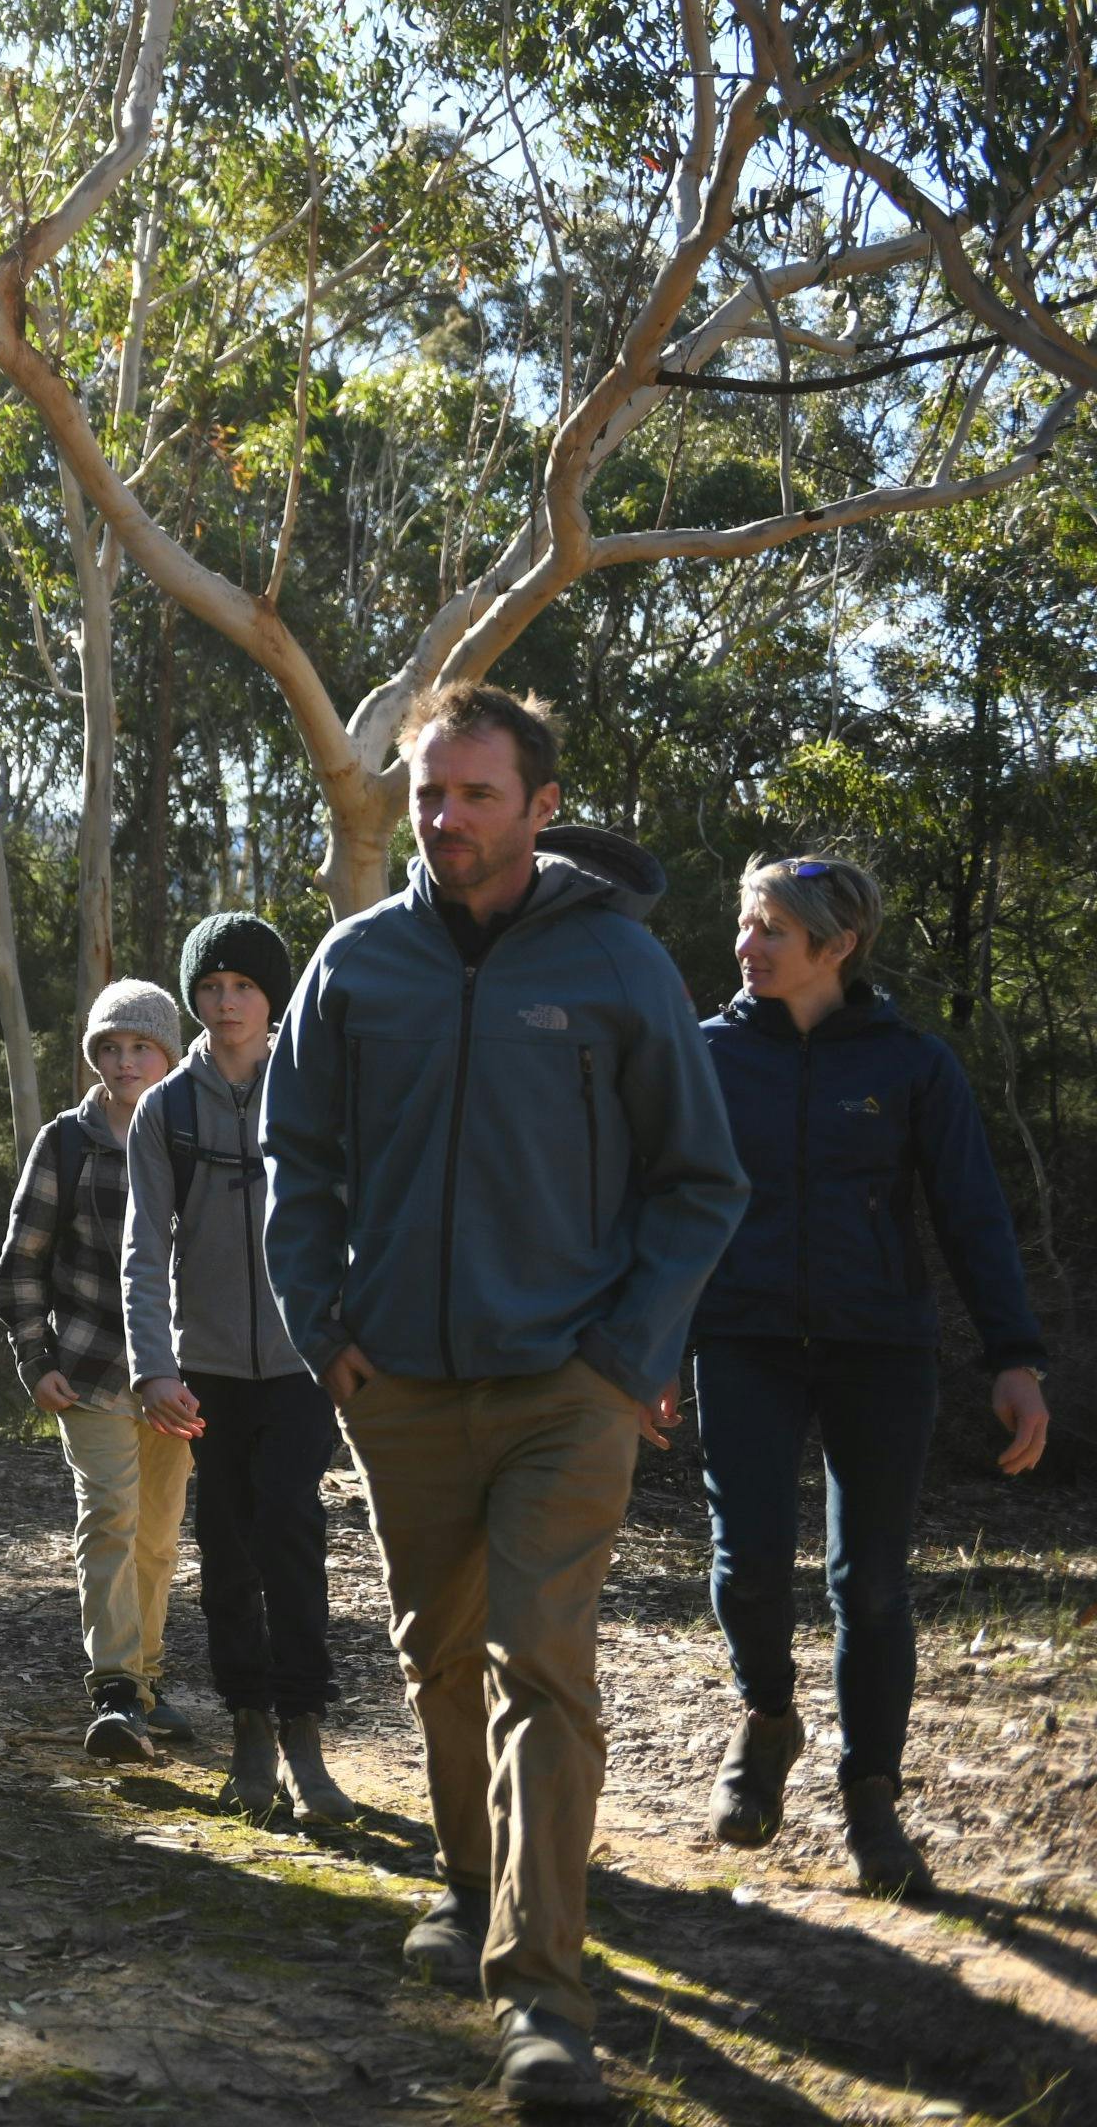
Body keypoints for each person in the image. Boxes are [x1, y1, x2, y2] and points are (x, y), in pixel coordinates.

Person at [263, 683, 747, 2114]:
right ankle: (467, 1877)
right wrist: (322, 1330)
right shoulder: (357, 967)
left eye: (477, 794)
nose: (446, 818)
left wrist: (630, 1355)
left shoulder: (619, 965)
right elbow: (299, 1164)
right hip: (399, 1384)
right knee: (438, 1656)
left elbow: (701, 1180)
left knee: (545, 1669)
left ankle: (541, 1996)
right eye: (428, 792)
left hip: (566, 1387)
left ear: (541, 807)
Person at [692, 854, 1053, 1898]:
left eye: (769, 930)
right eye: (746, 924)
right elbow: (662, 1206)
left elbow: (973, 1217)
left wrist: (1014, 1358)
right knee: (747, 1560)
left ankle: (871, 1797)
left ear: (836, 946)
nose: (746, 947)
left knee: (873, 1583)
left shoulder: (912, 1066)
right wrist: (645, 1343)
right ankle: (767, 1721)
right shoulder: (709, 1056)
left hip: (879, 1347)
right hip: (743, 1337)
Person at [125, 911, 351, 1823]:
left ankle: (305, 1731)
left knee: (293, 1536)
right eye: (211, 989)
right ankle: (249, 1731)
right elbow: (144, 1250)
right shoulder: (165, 1110)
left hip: (304, 1365)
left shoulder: (312, 1094)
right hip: (205, 1373)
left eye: (243, 989)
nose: (226, 1006)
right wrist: (154, 1367)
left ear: (273, 998)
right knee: (223, 1549)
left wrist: (347, 1337)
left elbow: (356, 1218)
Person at [0, 977, 190, 1763]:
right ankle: (114, 1691)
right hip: (89, 1367)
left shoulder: (193, 1132)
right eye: (110, 1047)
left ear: (169, 1055)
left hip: (177, 1371)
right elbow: (20, 1264)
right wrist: (33, 1360)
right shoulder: (67, 1142)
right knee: (109, 1516)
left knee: (158, 1534)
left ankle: (145, 1678)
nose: (124, 1060)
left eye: (140, 1046)